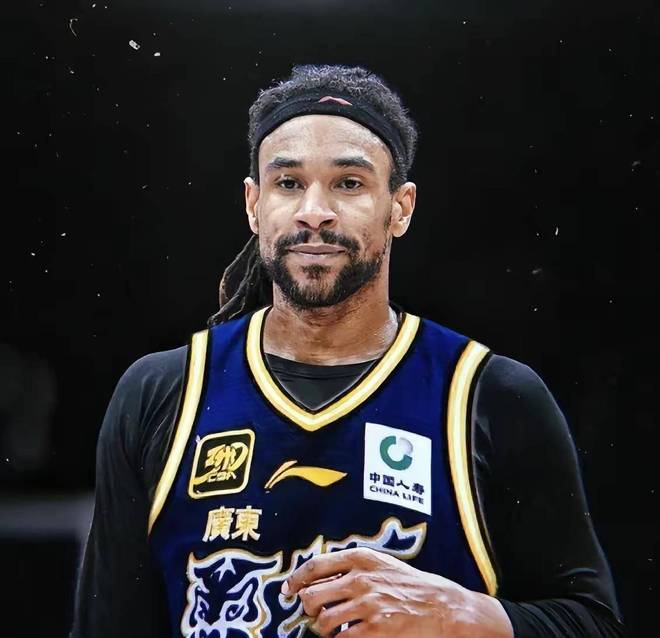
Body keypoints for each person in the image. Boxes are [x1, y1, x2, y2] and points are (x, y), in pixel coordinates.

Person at [71, 65, 624, 638]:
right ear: (254, 203)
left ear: (400, 208)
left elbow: (595, 624)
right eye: (288, 183)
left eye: (349, 183)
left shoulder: (492, 396)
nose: (314, 211)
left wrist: (463, 613)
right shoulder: (162, 391)